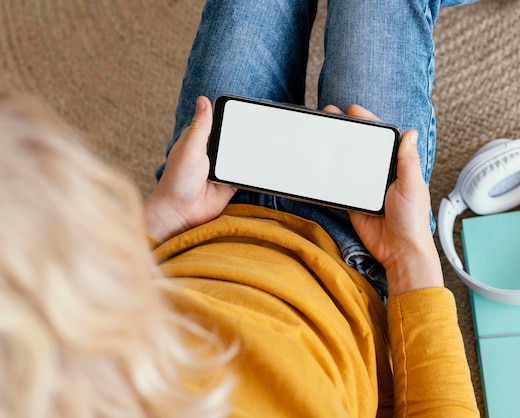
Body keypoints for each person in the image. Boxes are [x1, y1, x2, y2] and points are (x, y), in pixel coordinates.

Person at [0, 0, 479, 417]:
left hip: (203, 210)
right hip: (361, 254)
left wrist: (161, 215)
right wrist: (408, 255)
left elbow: (94, 293)